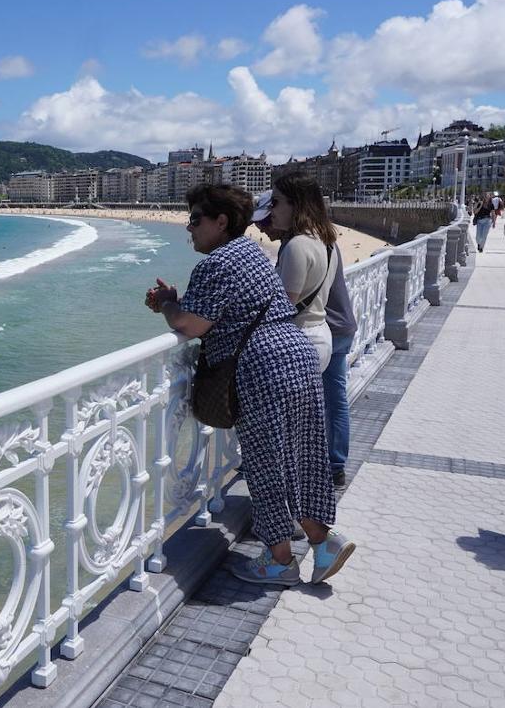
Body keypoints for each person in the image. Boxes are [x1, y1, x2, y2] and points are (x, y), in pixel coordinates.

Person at [146, 182, 354, 586]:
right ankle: (323, 541)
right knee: (302, 455)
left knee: (265, 464)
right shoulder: (253, 254)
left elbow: (189, 323)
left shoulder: (217, 263)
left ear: (220, 221)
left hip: (263, 366)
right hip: (296, 354)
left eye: (195, 220)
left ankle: (281, 560)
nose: (189, 228)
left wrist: (167, 303)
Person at [253, 191, 357, 488]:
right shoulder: (323, 238)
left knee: (304, 411)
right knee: (334, 400)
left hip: (320, 330)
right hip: (338, 327)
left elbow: (286, 302)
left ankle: (296, 476)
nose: (263, 228)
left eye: (267, 219)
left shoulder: (297, 246)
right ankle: (334, 465)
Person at [268, 173, 339, 373]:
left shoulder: (297, 245)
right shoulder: (326, 241)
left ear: (296, 204)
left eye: (275, 202)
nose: (270, 210)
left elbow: (283, 307)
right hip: (319, 334)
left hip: (300, 338)